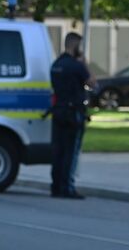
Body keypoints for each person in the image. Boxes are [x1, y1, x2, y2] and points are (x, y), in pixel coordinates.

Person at [48, 32, 97, 199]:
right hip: (73, 113)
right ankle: (67, 187)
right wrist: (85, 63)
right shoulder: (76, 66)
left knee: (58, 151)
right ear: (75, 46)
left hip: (58, 111)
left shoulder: (56, 64)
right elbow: (92, 83)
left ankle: (55, 186)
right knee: (71, 151)